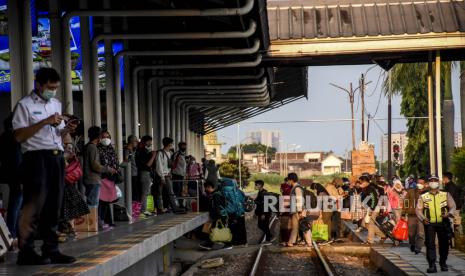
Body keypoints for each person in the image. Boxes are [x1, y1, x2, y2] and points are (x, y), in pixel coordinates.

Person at [12, 68, 77, 265]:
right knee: (33, 205)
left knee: (53, 206)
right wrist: (44, 121)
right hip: (35, 158)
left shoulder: (55, 104)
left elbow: (54, 134)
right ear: (38, 84)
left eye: (56, 88)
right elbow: (19, 136)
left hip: (55, 157)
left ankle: (51, 249)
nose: (53, 91)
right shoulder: (24, 105)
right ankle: (27, 251)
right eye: (50, 87)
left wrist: (66, 129)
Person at [416, 175, 456, 273]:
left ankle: (443, 263)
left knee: (444, 244)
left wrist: (449, 214)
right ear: (428, 183)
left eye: (435, 180)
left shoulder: (445, 194)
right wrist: (423, 218)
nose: (433, 182)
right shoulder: (423, 196)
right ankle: (432, 265)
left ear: (438, 182)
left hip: (443, 223)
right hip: (429, 223)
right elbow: (418, 209)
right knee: (430, 244)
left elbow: (453, 206)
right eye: (431, 180)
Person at [0, 113, 23, 248]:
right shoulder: (14, 137)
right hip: (17, 174)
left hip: (9, 173)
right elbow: (17, 159)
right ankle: (12, 235)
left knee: (16, 203)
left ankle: (13, 234)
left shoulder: (3, 136)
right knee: (16, 203)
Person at [83, 127, 115, 209]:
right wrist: (108, 169)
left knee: (92, 203)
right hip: (93, 180)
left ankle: (93, 221)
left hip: (90, 179)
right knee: (93, 205)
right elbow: (95, 165)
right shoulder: (92, 147)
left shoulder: (88, 146)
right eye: (101, 136)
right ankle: (92, 221)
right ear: (98, 136)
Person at [152, 137, 184, 214]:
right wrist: (162, 177)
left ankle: (169, 207)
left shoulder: (169, 153)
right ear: (169, 144)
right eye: (171, 144)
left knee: (168, 192)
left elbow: (168, 165)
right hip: (161, 176)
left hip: (167, 175)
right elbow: (159, 166)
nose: (172, 145)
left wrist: (169, 173)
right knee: (160, 193)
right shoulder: (160, 153)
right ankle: (162, 208)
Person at [97, 131, 121, 228]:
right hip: (103, 177)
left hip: (111, 179)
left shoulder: (111, 149)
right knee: (103, 201)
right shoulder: (98, 149)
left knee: (107, 201)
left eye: (107, 137)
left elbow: (116, 162)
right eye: (103, 137)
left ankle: (106, 220)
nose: (106, 139)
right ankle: (102, 221)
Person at [359, 175, 385, 244]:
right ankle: (383, 235)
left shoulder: (370, 188)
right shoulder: (365, 188)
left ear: (365, 181)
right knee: (366, 224)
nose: (360, 183)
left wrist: (371, 209)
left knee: (370, 223)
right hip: (369, 208)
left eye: (361, 182)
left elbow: (374, 199)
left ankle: (370, 240)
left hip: (374, 208)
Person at [403, 178, 425, 254]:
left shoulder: (426, 193)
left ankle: (418, 248)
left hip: (422, 216)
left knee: (421, 233)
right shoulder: (410, 191)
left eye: (422, 183)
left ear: (424, 184)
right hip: (412, 215)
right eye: (419, 183)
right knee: (411, 233)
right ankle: (412, 243)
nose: (420, 184)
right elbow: (406, 202)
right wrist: (404, 212)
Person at [136, 135, 155, 217]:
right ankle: (143, 210)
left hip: (142, 173)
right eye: (150, 141)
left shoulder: (140, 150)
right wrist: (153, 155)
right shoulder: (143, 151)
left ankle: (145, 209)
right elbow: (148, 165)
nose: (151, 143)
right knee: (145, 192)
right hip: (144, 173)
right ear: (146, 141)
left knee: (145, 192)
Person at [287, 173, 308, 247]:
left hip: (298, 211)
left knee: (302, 226)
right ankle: (291, 242)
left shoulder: (297, 188)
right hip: (296, 210)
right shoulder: (295, 187)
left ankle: (308, 242)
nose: (287, 182)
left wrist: (299, 211)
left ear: (291, 180)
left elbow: (299, 200)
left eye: (288, 180)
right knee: (297, 227)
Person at [324, 177, 345, 241]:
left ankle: (337, 236)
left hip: (337, 207)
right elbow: (330, 197)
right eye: (338, 185)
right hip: (330, 206)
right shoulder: (329, 187)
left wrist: (342, 195)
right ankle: (330, 236)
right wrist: (338, 197)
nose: (339, 186)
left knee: (337, 222)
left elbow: (342, 194)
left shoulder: (338, 187)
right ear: (335, 182)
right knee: (331, 222)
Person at [123, 135, 139, 202]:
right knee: (133, 192)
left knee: (135, 192)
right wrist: (130, 152)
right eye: (136, 141)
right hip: (131, 174)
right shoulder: (127, 150)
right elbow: (126, 160)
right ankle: (133, 209)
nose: (137, 142)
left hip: (135, 173)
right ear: (132, 142)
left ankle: (135, 208)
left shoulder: (132, 150)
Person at [279, 178, 292, 244]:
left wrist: (281, 212)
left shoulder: (285, 193)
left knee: (285, 226)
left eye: (281, 188)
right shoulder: (290, 189)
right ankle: (289, 240)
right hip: (290, 211)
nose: (280, 190)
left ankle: (285, 240)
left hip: (286, 212)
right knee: (289, 226)